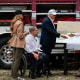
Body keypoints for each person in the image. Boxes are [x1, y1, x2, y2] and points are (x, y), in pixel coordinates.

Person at [40, 9, 67, 76]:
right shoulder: (47, 21)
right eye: (53, 15)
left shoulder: (48, 20)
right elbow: (50, 31)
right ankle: (46, 71)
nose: (55, 16)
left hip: (48, 41)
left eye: (55, 15)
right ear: (50, 14)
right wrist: (60, 35)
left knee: (46, 56)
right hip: (46, 42)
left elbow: (51, 30)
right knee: (46, 57)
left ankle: (45, 70)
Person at [8, 10, 28, 80]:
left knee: (14, 59)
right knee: (17, 60)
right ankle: (15, 76)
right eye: (22, 15)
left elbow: (13, 33)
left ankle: (13, 74)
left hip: (14, 42)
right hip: (19, 43)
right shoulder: (20, 23)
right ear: (19, 15)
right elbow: (20, 36)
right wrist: (25, 33)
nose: (23, 16)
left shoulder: (14, 22)